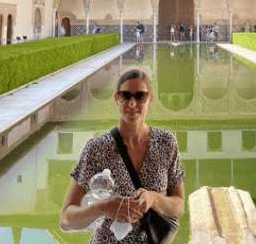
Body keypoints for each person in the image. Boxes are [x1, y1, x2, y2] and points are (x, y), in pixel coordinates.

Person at [60, 69, 185, 241]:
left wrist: (153, 198)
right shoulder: (97, 148)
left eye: (140, 96)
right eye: (125, 96)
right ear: (117, 99)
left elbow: (178, 206)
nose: (132, 104)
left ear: (150, 99)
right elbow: (66, 219)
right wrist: (102, 208)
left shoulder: (166, 143)